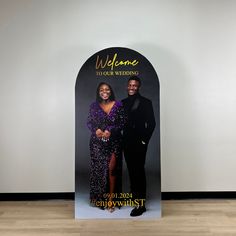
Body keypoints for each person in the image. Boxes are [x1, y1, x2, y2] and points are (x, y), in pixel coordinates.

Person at [87, 82, 126, 212]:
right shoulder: (93, 106)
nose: (104, 91)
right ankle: (100, 199)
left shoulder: (118, 105)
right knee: (99, 171)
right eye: (102, 90)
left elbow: (122, 122)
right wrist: (96, 130)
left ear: (110, 91)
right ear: (98, 92)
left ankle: (111, 199)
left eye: (107, 89)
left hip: (114, 142)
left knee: (112, 169)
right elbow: (89, 122)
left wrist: (110, 130)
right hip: (97, 143)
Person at [122, 76, 156, 217]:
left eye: (134, 85)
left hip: (139, 143)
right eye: (130, 85)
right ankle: (134, 196)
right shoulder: (122, 103)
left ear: (139, 87)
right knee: (131, 170)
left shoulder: (146, 102)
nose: (132, 87)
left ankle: (140, 205)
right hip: (127, 142)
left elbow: (152, 124)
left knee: (139, 172)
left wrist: (144, 141)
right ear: (127, 86)